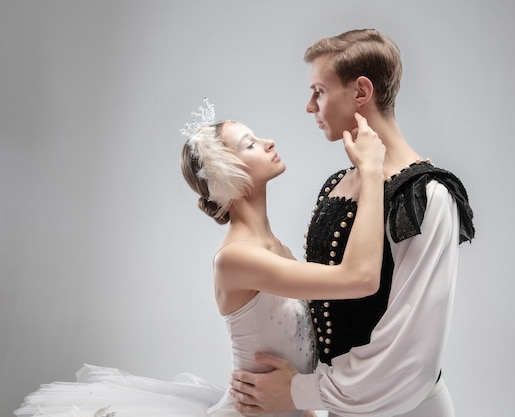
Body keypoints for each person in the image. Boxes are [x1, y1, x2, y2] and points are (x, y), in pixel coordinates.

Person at [13, 99, 386, 417]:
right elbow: (356, 279)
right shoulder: (236, 258)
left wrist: (302, 403)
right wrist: (371, 171)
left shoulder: (277, 248)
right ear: (228, 172)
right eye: (250, 144)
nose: (269, 142)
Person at [230, 29, 475, 417]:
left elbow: (411, 352)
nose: (310, 106)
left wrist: (300, 392)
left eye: (319, 91)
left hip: (405, 408)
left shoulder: (426, 196)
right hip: (345, 406)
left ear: (361, 92)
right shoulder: (340, 183)